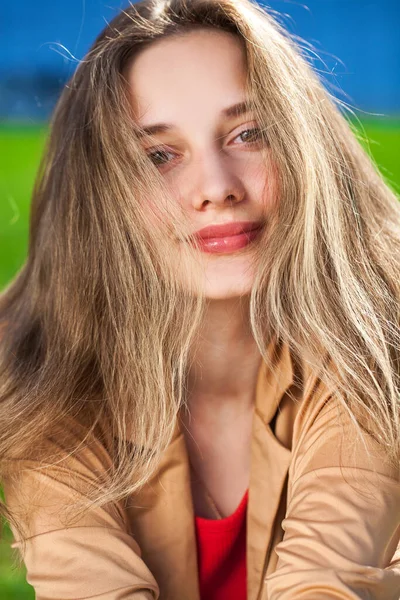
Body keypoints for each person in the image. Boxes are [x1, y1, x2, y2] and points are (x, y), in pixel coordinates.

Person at [0, 0, 400, 598]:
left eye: (249, 134)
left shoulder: (380, 327)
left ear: (303, 145)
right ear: (101, 197)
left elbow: (324, 582)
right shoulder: (36, 365)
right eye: (158, 156)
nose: (216, 188)